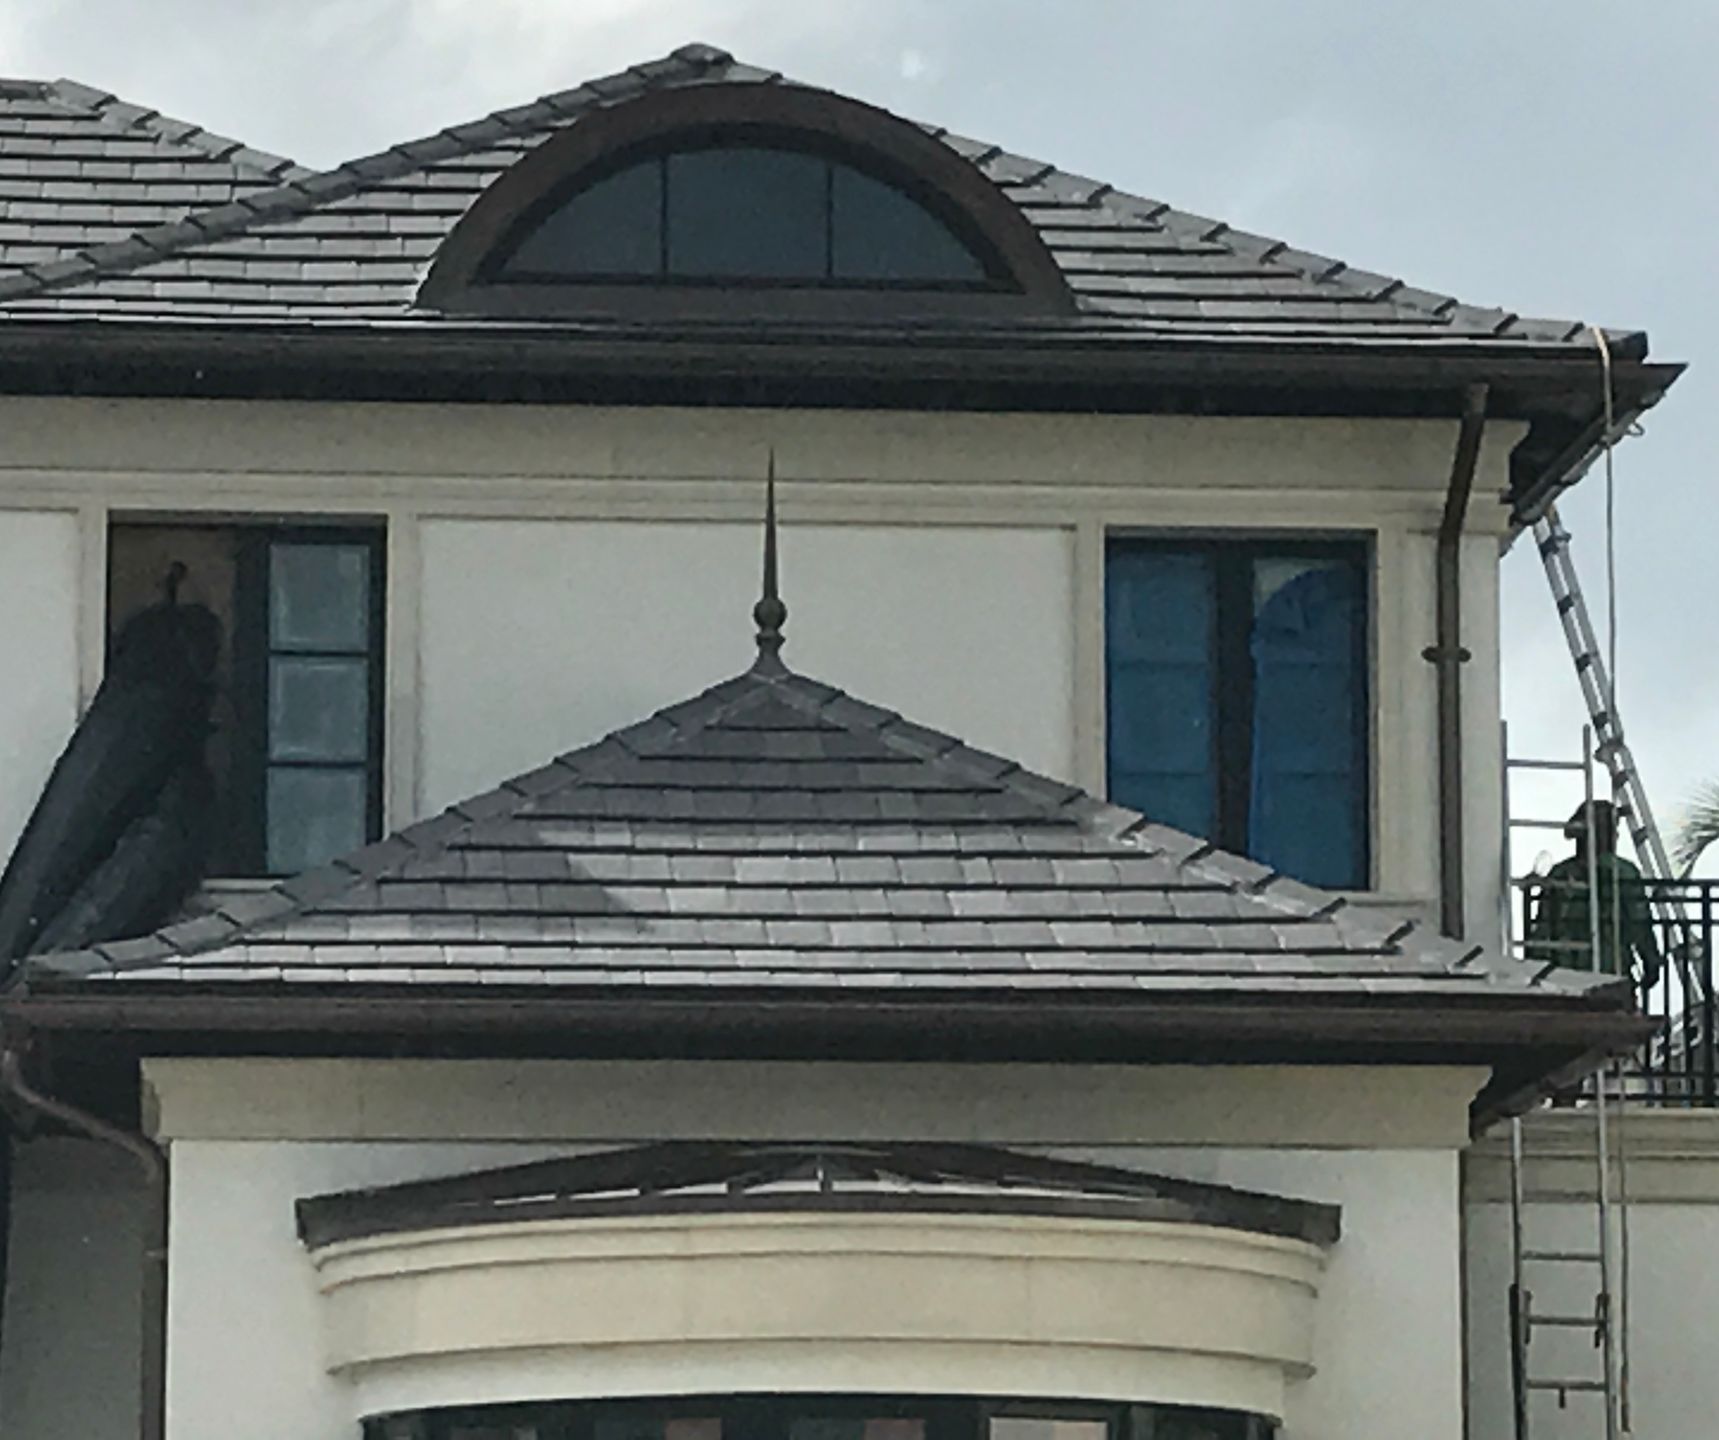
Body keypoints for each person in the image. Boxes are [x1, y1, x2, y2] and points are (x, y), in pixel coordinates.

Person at [1526, 799, 1663, 986]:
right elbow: (1639, 921)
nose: (1616, 835)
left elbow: (1543, 926)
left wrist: (1536, 967)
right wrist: (1651, 960)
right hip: (1610, 971)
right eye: (1612, 829)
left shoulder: (1561, 873)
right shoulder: (1622, 871)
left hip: (1564, 975)